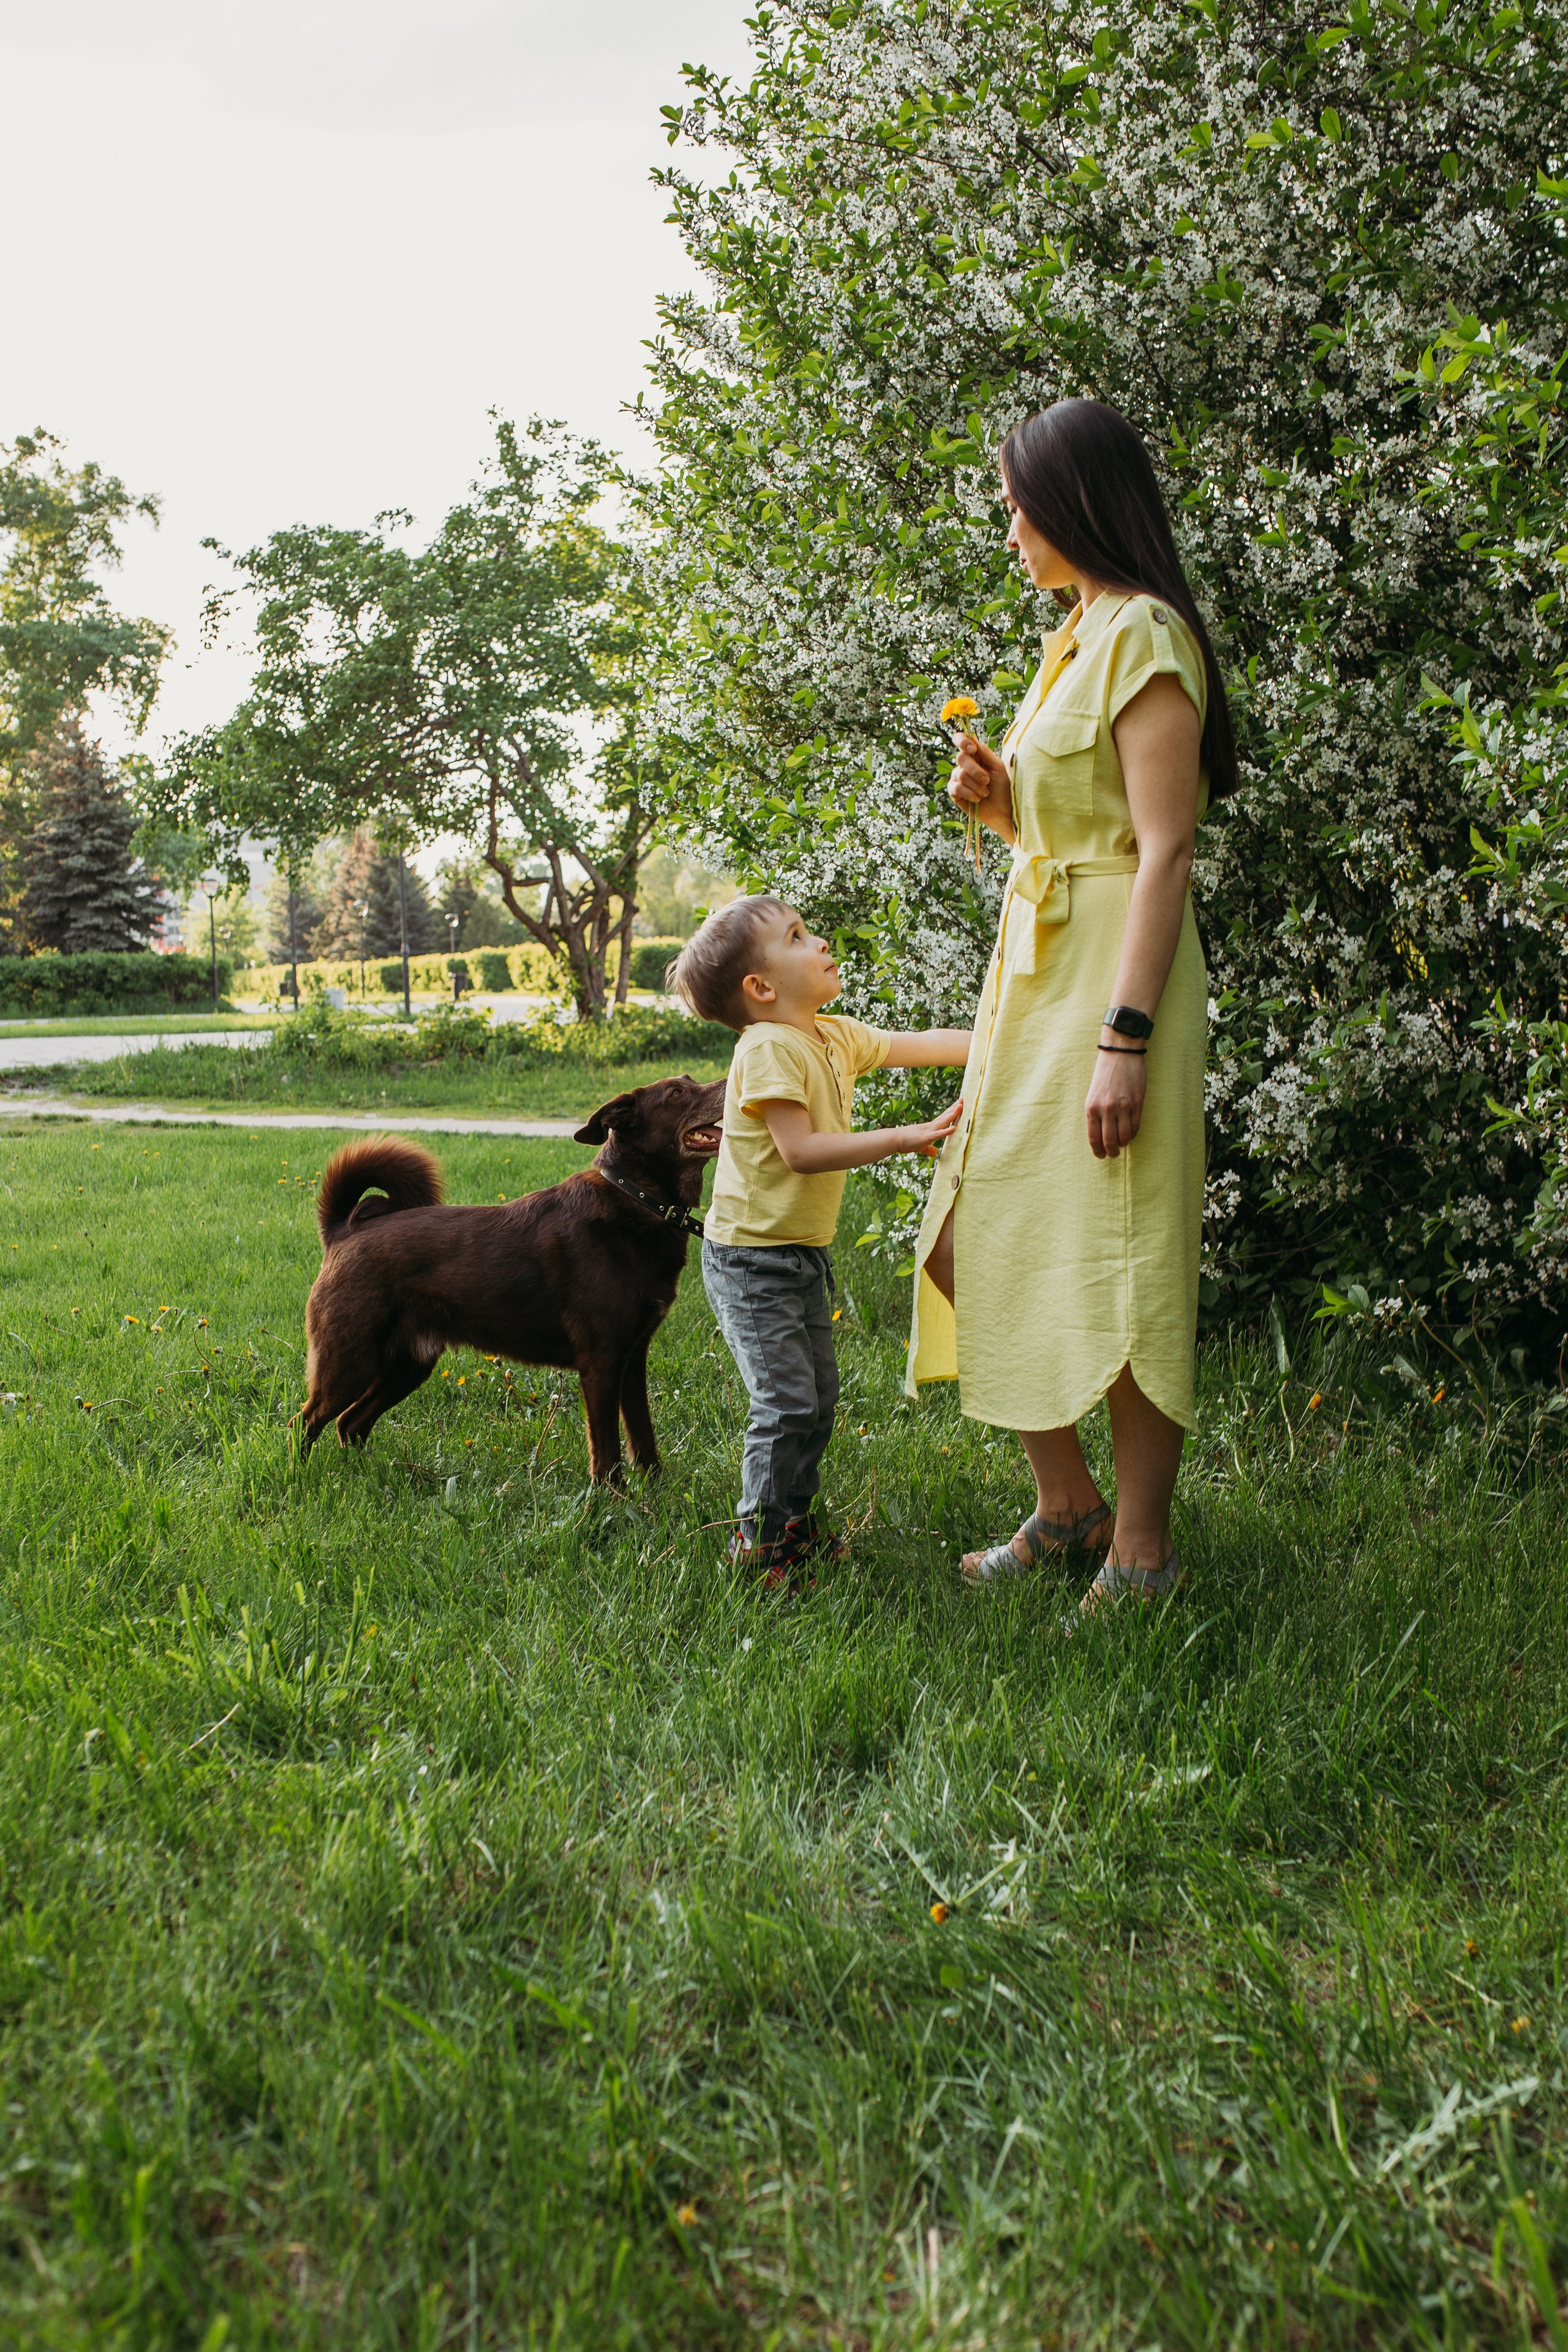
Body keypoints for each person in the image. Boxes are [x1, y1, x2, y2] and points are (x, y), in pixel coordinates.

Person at [906, 398, 1238, 1610]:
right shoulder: (1075, 633)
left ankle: (1140, 1552)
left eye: (1014, 506)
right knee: (961, 1232)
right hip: (1036, 969)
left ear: (1072, 500)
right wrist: (997, 805)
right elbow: (1070, 825)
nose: (1007, 534)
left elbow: (1161, 850)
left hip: (1112, 983)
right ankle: (1066, 1510)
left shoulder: (1147, 634)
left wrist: (1126, 1038)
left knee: (1120, 1253)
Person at [670, 897, 970, 1586]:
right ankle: (757, 1544)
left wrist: (1009, 1032)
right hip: (751, 1261)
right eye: (799, 937)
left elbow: (921, 1042)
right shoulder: (769, 1049)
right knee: (786, 1402)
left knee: (819, 1397)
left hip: (799, 1251)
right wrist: (903, 1137)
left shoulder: (830, 1036)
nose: (822, 941)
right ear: (762, 988)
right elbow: (801, 1150)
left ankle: (792, 1527)